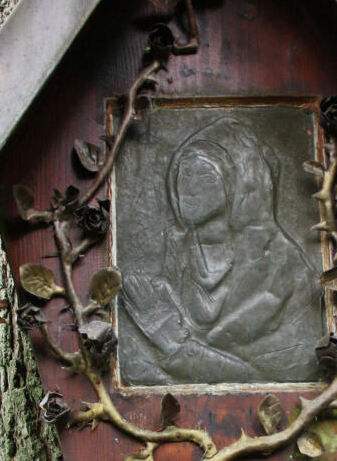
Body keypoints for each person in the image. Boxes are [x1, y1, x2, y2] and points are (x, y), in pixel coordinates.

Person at [120, 114, 321, 385]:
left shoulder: (283, 267)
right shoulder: (178, 254)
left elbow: (290, 372)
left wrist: (172, 341)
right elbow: (137, 371)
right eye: (184, 172)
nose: (188, 187)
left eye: (204, 175)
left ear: (237, 184)